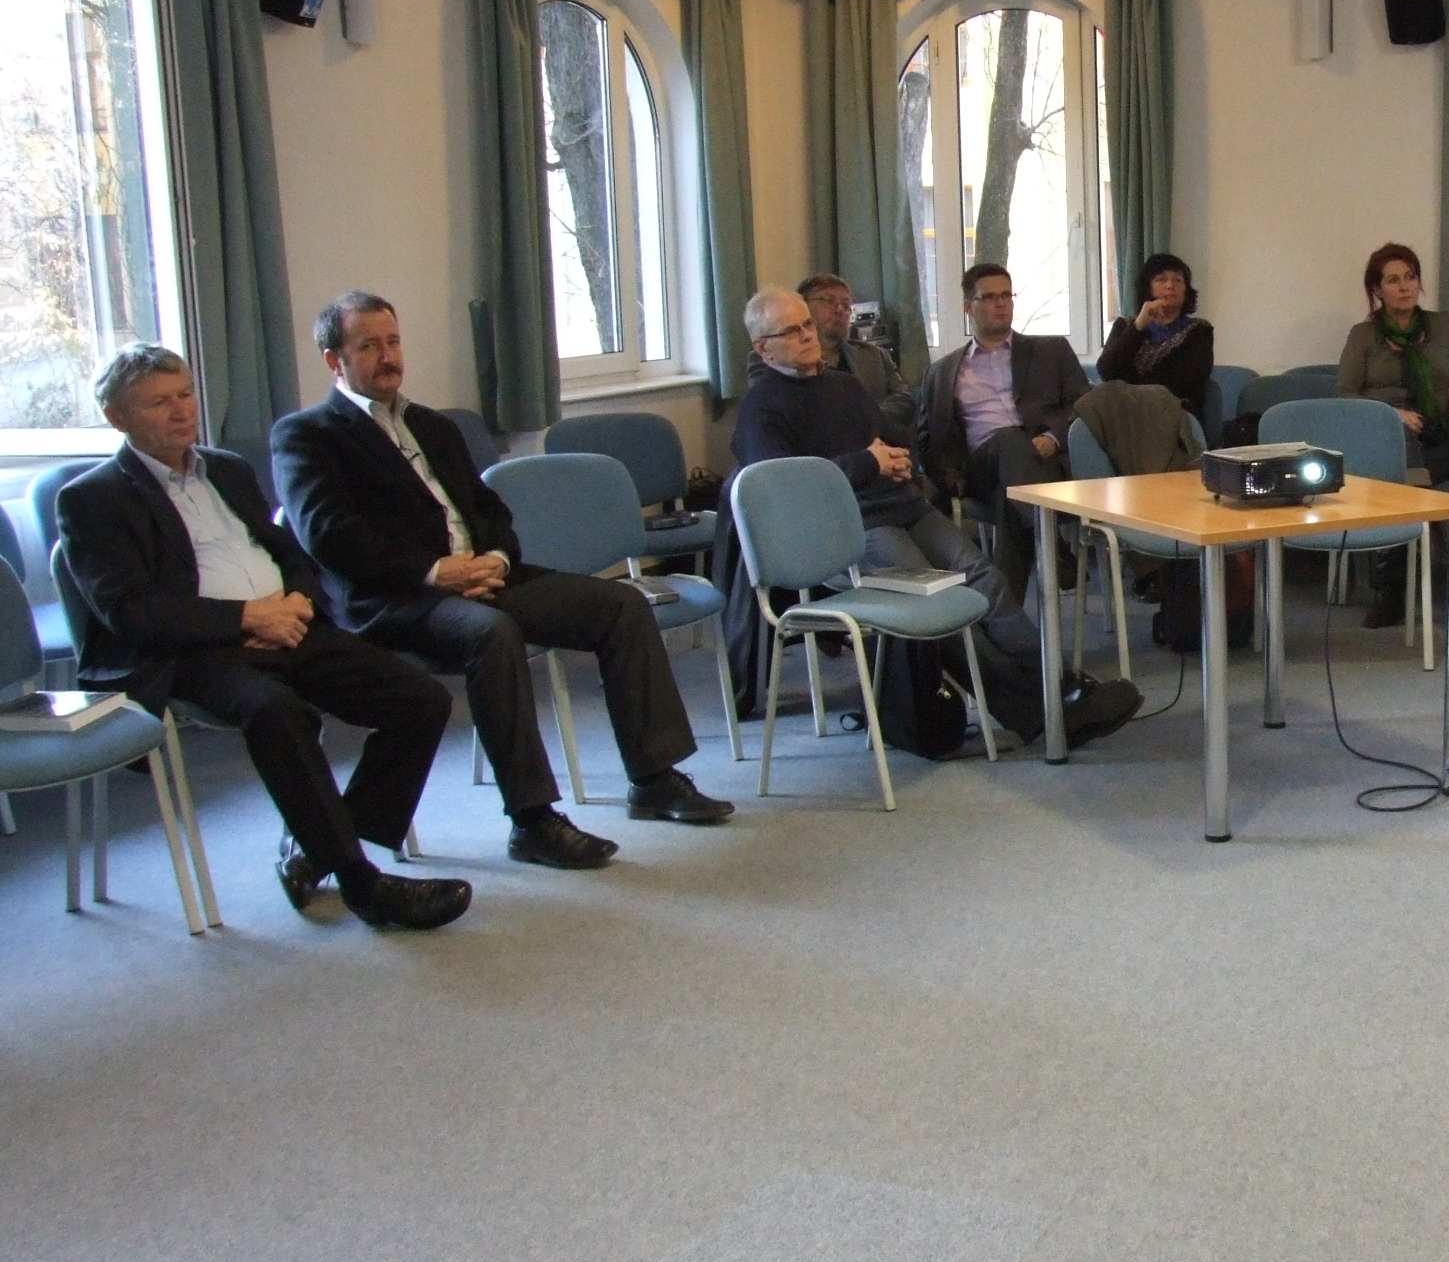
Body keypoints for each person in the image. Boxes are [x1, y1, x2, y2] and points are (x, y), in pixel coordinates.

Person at [271, 292, 734, 868]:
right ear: (333, 359)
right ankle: (533, 821)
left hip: (483, 579)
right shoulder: (307, 436)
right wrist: (436, 571)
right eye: (369, 346)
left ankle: (655, 778)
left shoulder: (432, 426)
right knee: (491, 634)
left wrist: (494, 557)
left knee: (620, 605)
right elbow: (331, 536)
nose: (388, 356)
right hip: (397, 598)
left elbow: (489, 509)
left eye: (393, 342)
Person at [56, 345, 474, 930]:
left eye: (185, 395)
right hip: (193, 650)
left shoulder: (226, 468)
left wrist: (298, 599)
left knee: (420, 699)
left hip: (286, 622)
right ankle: (361, 883)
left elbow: (290, 551)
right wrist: (247, 619)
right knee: (278, 711)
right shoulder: (91, 499)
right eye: (158, 403)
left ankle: (317, 848)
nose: (181, 411)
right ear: (116, 417)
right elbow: (131, 612)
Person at [732, 288, 1142, 748]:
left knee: (985, 579)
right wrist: (868, 462)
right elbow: (788, 490)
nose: (808, 335)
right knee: (939, 601)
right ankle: (1038, 712)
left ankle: (1061, 683)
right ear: (763, 348)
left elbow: (894, 437)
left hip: (902, 507)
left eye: (807, 324)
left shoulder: (844, 386)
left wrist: (899, 461)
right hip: (849, 530)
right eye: (792, 331)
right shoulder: (760, 409)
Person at [916, 264, 1090, 605]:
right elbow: (928, 438)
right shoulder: (942, 372)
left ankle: (1004, 622)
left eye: (1007, 295)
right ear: (968, 307)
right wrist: (950, 482)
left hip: (1044, 465)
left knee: (1009, 501)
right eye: (990, 297)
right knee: (1008, 440)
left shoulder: (1050, 351)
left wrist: (1053, 438)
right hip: (980, 468)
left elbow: (1083, 402)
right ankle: (1052, 544)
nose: (1001, 304)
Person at [1335, 242, 1449, 627]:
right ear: (1377, 290)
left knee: (1396, 482)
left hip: (1442, 438)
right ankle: (1417, 514)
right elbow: (1345, 395)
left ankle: (1391, 590)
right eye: (1393, 280)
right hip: (1383, 440)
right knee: (1399, 451)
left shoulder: (1444, 327)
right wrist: (1392, 415)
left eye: (1410, 277)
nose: (1404, 287)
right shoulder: (1363, 336)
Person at [797, 272, 915, 436]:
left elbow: (904, 398)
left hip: (876, 441)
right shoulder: (784, 359)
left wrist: (868, 421)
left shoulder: (875, 356)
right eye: (829, 301)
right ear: (802, 307)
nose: (840, 309)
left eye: (846, 304)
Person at [1097, 252, 1215, 415]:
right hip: (1124, 411)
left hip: (1174, 413)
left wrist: (1131, 386)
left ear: (1186, 290)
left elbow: (1186, 382)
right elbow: (1106, 372)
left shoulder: (1199, 330)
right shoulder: (1124, 326)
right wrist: (1138, 327)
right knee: (1092, 403)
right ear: (1148, 287)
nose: (1170, 285)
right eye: (1161, 279)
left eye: (1177, 280)